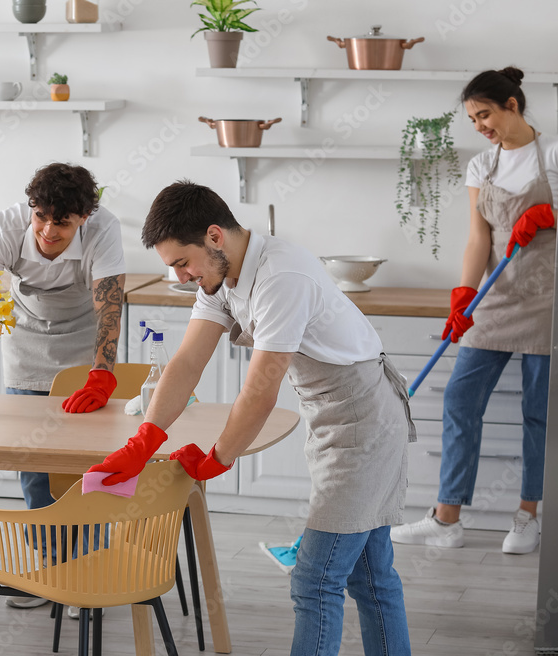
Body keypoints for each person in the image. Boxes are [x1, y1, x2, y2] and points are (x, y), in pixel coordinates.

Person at [89, 181, 416, 655]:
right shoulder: (220, 276)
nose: (181, 276)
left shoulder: (282, 277)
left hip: (364, 424)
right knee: (370, 576)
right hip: (335, 414)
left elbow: (261, 390)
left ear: (215, 237)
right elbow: (187, 362)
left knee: (315, 580)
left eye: (183, 262)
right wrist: (145, 438)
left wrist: (218, 457)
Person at [391, 67, 555, 554]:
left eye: (485, 114)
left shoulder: (552, 155)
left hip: (549, 299)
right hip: (497, 297)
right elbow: (478, 237)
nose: (480, 125)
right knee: (460, 401)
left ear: (512, 105)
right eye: (472, 119)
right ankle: (447, 518)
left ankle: (528, 515)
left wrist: (549, 215)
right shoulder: (483, 166)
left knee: (538, 414)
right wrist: (463, 295)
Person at [0, 162, 126, 610]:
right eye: (41, 216)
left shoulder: (104, 230)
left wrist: (102, 371)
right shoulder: (6, 226)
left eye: (62, 222)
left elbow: (110, 304)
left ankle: (90, 567)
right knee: (35, 464)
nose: (48, 230)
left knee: (90, 464)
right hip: (25, 343)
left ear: (83, 217)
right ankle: (52, 568)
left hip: (83, 343)